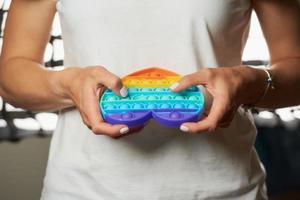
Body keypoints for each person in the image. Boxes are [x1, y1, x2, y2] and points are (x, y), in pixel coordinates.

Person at [0, 0, 300, 199]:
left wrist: (252, 81)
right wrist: (68, 84)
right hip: (82, 189)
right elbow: (12, 73)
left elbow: (294, 64)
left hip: (225, 189)